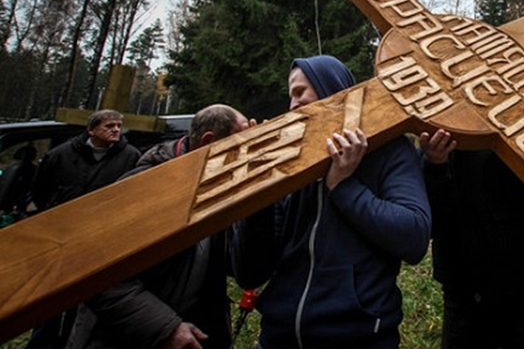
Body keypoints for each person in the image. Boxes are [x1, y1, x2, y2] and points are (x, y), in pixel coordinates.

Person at [231, 55, 432, 349]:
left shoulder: (390, 149)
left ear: (332, 88)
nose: (293, 105)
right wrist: (258, 193)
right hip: (278, 339)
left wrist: (343, 185)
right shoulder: (288, 162)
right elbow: (250, 272)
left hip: (359, 338)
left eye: (300, 92)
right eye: (290, 96)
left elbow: (414, 236)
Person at [67, 104, 252, 349]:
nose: (247, 152)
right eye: (240, 143)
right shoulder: (145, 187)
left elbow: (240, 267)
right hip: (123, 338)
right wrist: (165, 328)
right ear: (209, 142)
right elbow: (95, 272)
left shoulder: (215, 185)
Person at [418, 82, 524, 349]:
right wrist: (435, 166)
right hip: (464, 287)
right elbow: (434, 221)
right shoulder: (433, 133)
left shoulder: (513, 114)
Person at [28, 109, 141, 349]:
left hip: (101, 237)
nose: (116, 130)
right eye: (109, 126)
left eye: (119, 126)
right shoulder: (61, 155)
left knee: (86, 297)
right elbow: (41, 189)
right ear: (91, 130)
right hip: (61, 236)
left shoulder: (130, 156)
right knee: (50, 294)